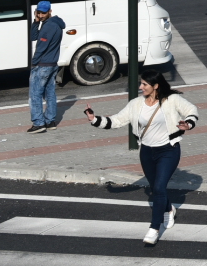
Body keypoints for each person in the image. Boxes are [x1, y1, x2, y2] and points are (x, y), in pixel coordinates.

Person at [84, 69, 198, 246]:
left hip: (168, 150)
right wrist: (94, 119)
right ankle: (169, 209)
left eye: (145, 84)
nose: (141, 87)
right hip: (147, 152)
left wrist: (188, 124)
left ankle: (154, 229)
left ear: (156, 86)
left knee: (159, 187)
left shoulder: (171, 100)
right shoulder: (136, 104)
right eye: (141, 83)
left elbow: (192, 110)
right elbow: (117, 120)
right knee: (156, 188)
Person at [28, 0, 64, 133]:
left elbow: (41, 47)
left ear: (50, 11)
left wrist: (34, 63)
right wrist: (36, 22)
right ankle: (50, 121)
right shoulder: (53, 23)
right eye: (39, 13)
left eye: (43, 13)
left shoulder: (49, 26)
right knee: (50, 94)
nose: (41, 15)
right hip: (52, 64)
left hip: (42, 65)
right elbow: (33, 37)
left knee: (35, 95)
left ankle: (38, 123)